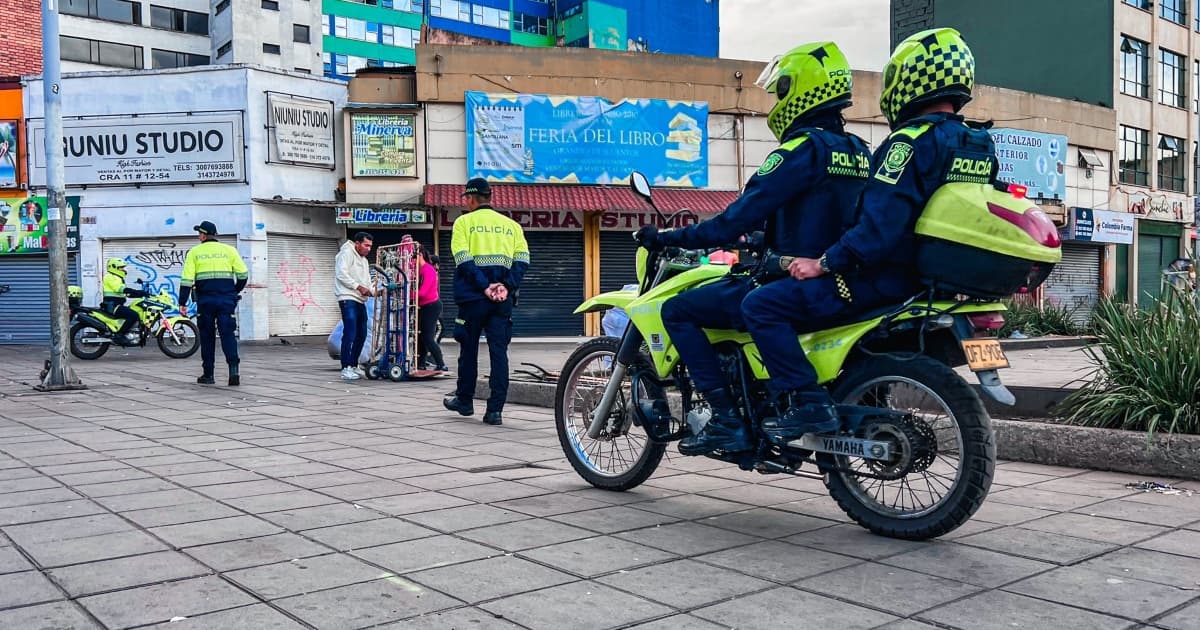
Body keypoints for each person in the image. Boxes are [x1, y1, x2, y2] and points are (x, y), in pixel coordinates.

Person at [754, 27, 996, 441]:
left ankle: (807, 405)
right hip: (925, 280)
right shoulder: (978, 143)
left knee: (762, 306)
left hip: (875, 279)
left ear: (911, 79)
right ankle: (858, 395)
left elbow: (879, 227)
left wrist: (824, 262)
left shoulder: (908, 142)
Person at [634, 41, 872, 456]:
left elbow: (732, 220)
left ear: (800, 90)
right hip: (841, 277)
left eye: (780, 90)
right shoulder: (858, 151)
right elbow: (820, 217)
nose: (776, 100)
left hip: (796, 283)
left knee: (679, 310)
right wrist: (763, 239)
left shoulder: (799, 152)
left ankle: (726, 419)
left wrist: (669, 237)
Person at [443, 177, 530, 426]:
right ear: (489, 197)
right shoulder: (511, 226)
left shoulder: (463, 223)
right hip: (502, 300)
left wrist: (484, 286)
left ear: (470, 198)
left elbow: (463, 259)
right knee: (499, 353)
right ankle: (495, 411)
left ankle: (465, 400)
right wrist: (505, 286)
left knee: (468, 350)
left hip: (472, 299)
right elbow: (522, 260)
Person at [179, 221, 248, 386]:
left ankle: (208, 375)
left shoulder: (194, 252)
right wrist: (233, 292)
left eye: (199, 234)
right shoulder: (230, 250)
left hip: (206, 301)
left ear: (203, 235)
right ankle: (233, 371)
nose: (198, 236)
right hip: (226, 300)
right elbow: (243, 275)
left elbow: (187, 280)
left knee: (207, 337)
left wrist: (183, 302)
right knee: (228, 334)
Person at [335, 231, 376, 380]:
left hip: (360, 300)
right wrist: (358, 287)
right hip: (347, 297)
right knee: (350, 332)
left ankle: (353, 364)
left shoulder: (364, 261)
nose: (368, 249)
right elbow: (341, 274)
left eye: (370, 246)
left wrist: (374, 290)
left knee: (362, 334)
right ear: (357, 243)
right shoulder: (346, 253)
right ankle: (345, 367)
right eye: (366, 245)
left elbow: (367, 283)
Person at [416, 249, 448, 372]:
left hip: (431, 306)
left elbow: (423, 293)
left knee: (428, 337)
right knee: (422, 337)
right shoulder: (421, 270)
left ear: (419, 255)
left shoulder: (428, 270)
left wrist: (408, 294)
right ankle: (421, 363)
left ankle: (441, 364)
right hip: (425, 306)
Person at [101, 258, 139, 345]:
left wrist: (141, 294)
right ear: (114, 267)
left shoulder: (118, 278)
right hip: (112, 305)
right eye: (121, 267)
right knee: (133, 315)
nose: (123, 269)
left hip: (116, 304)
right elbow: (119, 289)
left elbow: (125, 293)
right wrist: (135, 291)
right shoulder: (109, 277)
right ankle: (119, 335)